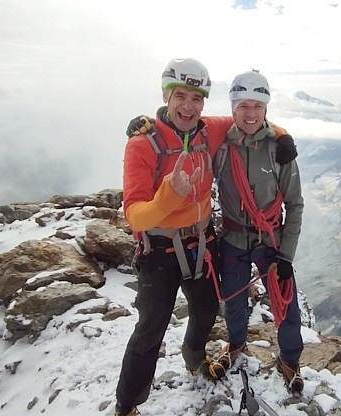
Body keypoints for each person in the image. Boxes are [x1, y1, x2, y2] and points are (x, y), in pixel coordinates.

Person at [115, 59, 297, 416]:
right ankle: (127, 405)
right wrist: (167, 197)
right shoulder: (143, 144)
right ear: (166, 96)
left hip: (202, 244)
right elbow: (134, 213)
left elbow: (249, 119)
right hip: (160, 250)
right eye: (180, 96)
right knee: (150, 331)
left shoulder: (207, 130)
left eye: (196, 98)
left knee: (205, 310)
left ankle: (195, 359)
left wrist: (283, 135)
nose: (188, 106)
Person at [213, 70, 305, 393]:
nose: (250, 113)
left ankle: (289, 358)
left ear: (266, 108)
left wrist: (286, 255)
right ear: (233, 107)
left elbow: (294, 204)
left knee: (286, 302)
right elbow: (186, 130)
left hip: (271, 240)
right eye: (243, 106)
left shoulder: (278, 149)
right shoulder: (221, 146)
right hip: (234, 238)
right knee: (234, 301)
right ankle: (236, 344)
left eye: (257, 106)